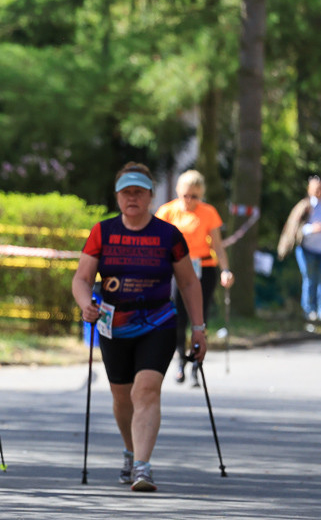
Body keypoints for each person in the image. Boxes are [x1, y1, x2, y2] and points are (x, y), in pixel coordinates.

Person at [72, 162, 206, 492]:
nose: (132, 198)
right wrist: (84, 303)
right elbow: (82, 278)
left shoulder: (168, 235)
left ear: (149, 196)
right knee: (122, 397)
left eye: (139, 192)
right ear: (118, 196)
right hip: (112, 324)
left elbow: (188, 283)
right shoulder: (102, 232)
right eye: (126, 192)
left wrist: (199, 328)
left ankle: (142, 468)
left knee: (145, 389)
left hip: (158, 321)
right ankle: (130, 451)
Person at [155, 170, 234, 384]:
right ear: (178, 192)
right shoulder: (167, 212)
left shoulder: (208, 212)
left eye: (195, 196)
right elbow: (157, 244)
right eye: (185, 195)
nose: (189, 201)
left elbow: (217, 244)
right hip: (176, 268)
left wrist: (226, 269)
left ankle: (197, 366)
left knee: (200, 317)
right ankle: (180, 360)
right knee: (178, 316)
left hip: (204, 267)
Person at [278, 176, 321, 323]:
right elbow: (294, 229)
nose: (319, 191)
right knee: (310, 278)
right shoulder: (304, 206)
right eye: (316, 188)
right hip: (307, 250)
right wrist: (311, 229)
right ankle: (309, 310)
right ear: (309, 190)